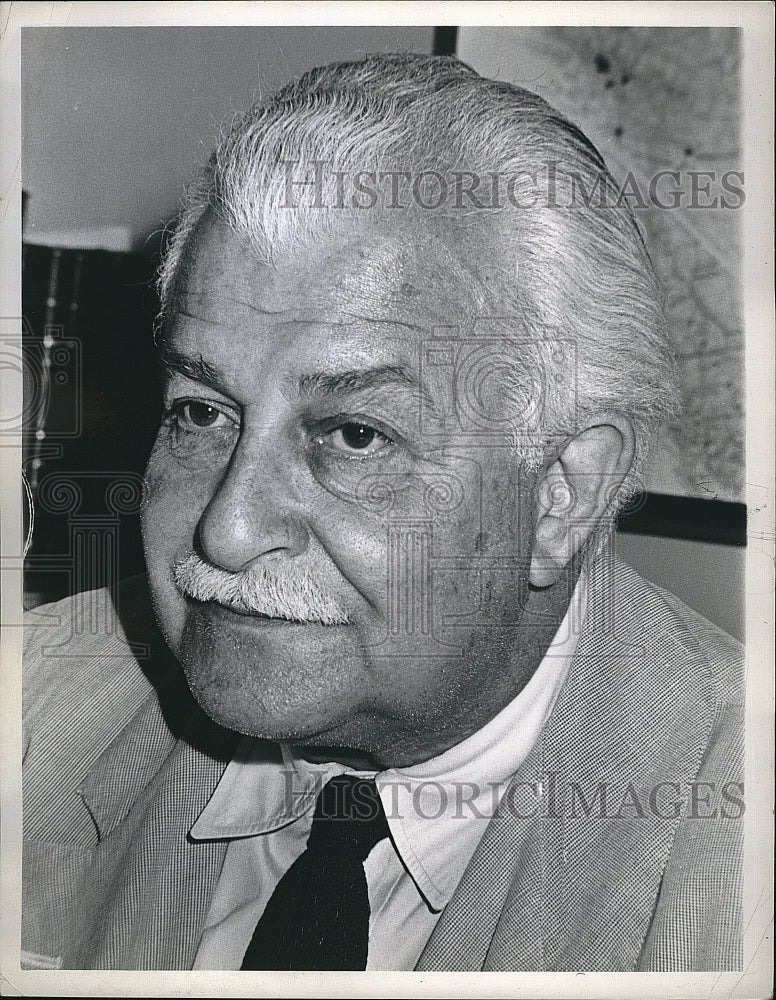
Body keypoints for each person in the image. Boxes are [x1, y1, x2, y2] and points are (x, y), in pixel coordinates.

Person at [22, 52, 743, 972]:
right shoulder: (32, 709)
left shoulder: (732, 861)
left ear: (561, 492)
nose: (227, 531)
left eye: (354, 435)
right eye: (202, 412)